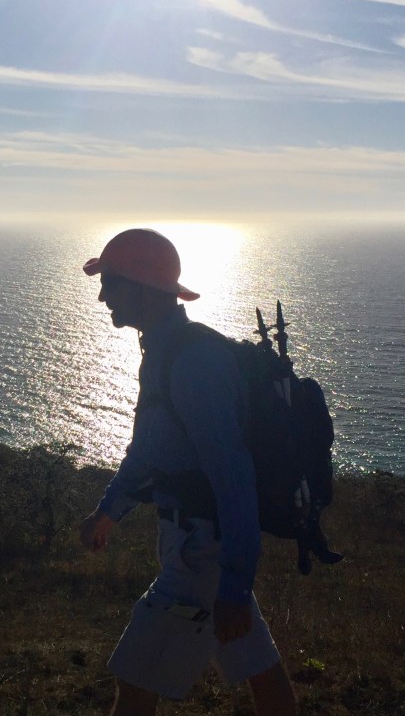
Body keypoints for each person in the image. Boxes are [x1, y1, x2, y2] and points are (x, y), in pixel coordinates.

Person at [79, 228, 297, 716]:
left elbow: (233, 478)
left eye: (110, 283)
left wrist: (235, 586)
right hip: (201, 549)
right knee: (261, 673)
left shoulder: (193, 362)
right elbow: (148, 450)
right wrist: (108, 512)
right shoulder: (164, 351)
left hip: (200, 557)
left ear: (142, 287)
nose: (102, 297)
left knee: (135, 684)